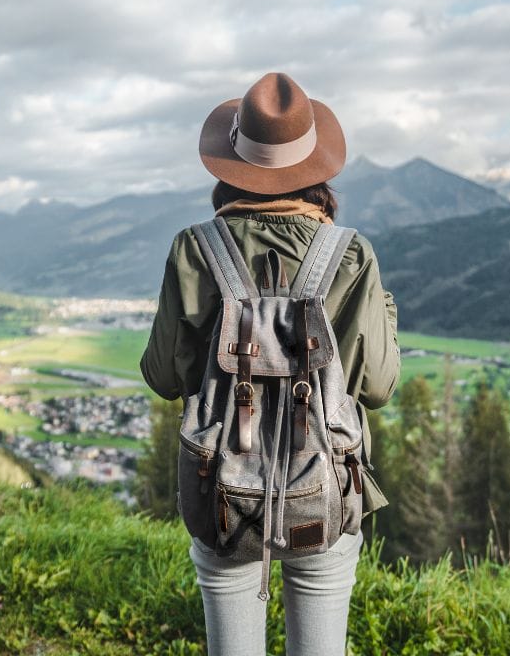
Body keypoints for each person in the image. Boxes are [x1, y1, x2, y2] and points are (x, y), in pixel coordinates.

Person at [140, 72, 400, 656]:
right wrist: (382, 308)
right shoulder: (350, 254)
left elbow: (162, 376)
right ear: (316, 168)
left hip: (222, 494)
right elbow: (378, 387)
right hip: (325, 490)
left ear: (232, 162)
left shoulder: (194, 248)